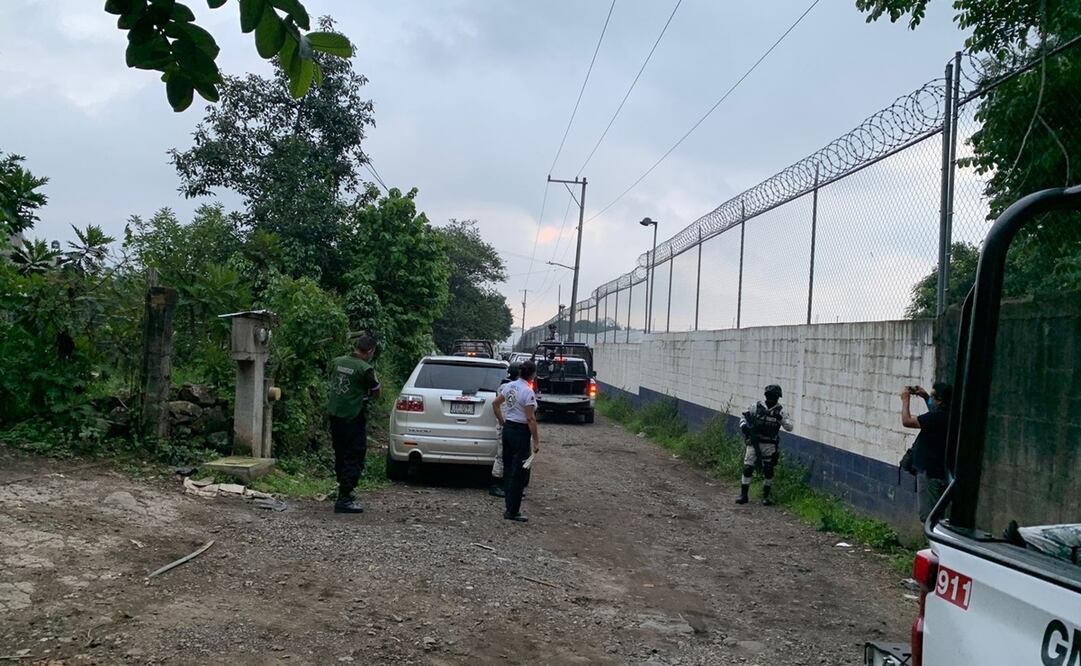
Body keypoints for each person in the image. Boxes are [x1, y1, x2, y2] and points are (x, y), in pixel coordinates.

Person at [326, 333, 381, 514]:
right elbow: (376, 391)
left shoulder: (336, 362)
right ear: (370, 351)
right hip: (353, 416)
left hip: (334, 415)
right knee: (355, 454)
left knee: (340, 453)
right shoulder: (365, 369)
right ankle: (345, 498)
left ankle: (342, 489)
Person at [492, 360, 540, 522]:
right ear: (532, 374)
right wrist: (536, 441)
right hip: (520, 431)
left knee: (508, 468)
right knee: (519, 472)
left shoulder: (509, 386)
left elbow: (495, 403)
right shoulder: (528, 392)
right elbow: (530, 418)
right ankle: (513, 511)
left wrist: (502, 421)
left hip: (508, 428)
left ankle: (508, 506)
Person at [901, 382, 952, 522]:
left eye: (932, 396)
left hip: (930, 473)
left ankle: (934, 542)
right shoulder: (949, 416)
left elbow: (907, 421)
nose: (930, 399)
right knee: (935, 513)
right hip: (939, 471)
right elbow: (934, 412)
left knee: (929, 516)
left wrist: (905, 400)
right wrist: (924, 397)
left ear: (939, 400)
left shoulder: (937, 418)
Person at [737, 384, 794, 506]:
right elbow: (743, 417)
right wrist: (744, 427)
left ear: (778, 398)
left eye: (774, 396)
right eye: (770, 396)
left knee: (768, 470)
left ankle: (765, 497)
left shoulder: (781, 411)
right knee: (748, 467)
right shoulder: (755, 407)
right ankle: (744, 495)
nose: (772, 399)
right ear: (766, 396)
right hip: (754, 442)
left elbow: (790, 427)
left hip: (770, 445)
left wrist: (780, 418)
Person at [488, 364, 521, 498]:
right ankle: (496, 484)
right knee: (502, 455)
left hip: (507, 424)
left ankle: (506, 484)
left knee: (507, 455)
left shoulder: (504, 386)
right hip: (506, 424)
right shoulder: (510, 387)